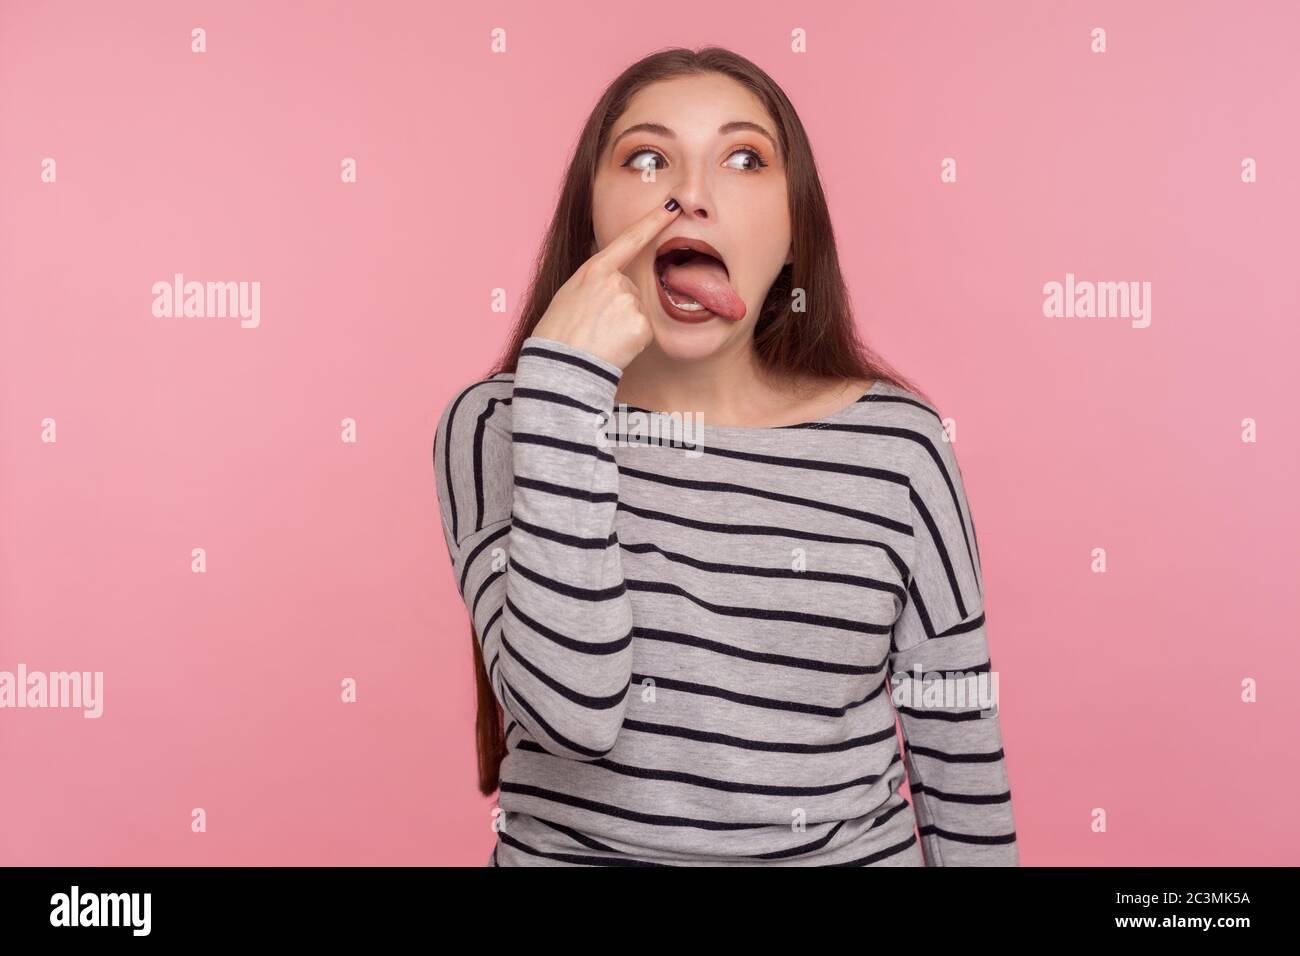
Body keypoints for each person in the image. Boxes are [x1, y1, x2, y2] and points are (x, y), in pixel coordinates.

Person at [434, 46, 1018, 866]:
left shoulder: (901, 446)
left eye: (745, 159)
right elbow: (575, 712)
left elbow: (960, 751)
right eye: (647, 158)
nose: (690, 195)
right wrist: (563, 390)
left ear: (791, 234)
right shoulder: (500, 425)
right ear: (590, 218)